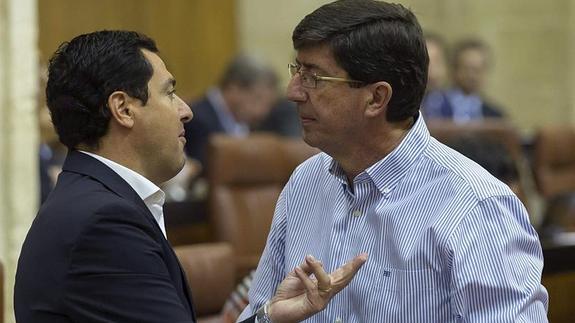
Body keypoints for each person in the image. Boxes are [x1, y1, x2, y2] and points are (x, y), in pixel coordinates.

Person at [14, 30, 367, 323]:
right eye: (169, 92)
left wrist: (269, 315)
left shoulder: (91, 199)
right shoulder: (103, 223)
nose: (186, 110)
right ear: (123, 109)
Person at [241, 1, 548, 322]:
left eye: (314, 77)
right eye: (297, 71)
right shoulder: (304, 183)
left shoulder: (475, 206)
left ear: (376, 98)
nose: (293, 91)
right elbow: (260, 310)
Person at [184, 54, 279, 169]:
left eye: (268, 104)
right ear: (233, 89)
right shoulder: (197, 120)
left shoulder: (247, 121)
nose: (262, 112)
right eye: (257, 99)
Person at [424, 37, 505, 122]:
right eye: (466, 69)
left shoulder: (494, 115)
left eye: (477, 70)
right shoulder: (435, 106)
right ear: (454, 69)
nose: (471, 76)